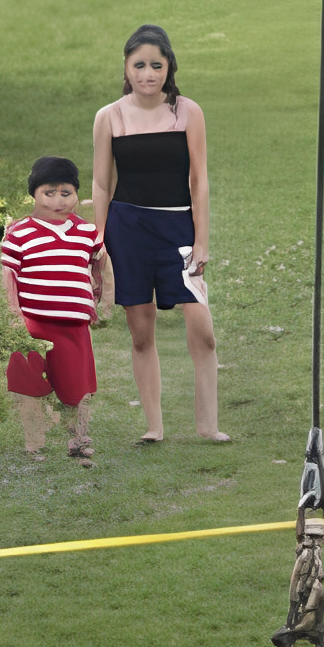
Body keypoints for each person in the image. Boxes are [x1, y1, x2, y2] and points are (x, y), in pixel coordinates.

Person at [93, 26, 227, 446]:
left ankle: (208, 425)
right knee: (141, 331)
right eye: (139, 65)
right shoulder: (109, 116)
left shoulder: (187, 111)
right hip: (128, 230)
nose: (148, 73)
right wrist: (97, 240)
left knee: (202, 326)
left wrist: (201, 239)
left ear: (168, 67)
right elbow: (100, 183)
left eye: (156, 65)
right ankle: (154, 426)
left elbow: (199, 180)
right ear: (127, 69)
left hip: (177, 228)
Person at [0, 156, 106, 462]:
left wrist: (96, 302)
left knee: (78, 387)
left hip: (73, 327)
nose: (58, 201)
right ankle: (34, 444)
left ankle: (79, 440)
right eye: (49, 192)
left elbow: (99, 269)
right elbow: (9, 278)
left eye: (66, 193)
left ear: (75, 194)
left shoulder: (86, 233)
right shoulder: (19, 233)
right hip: (32, 324)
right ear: (34, 193)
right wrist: (14, 316)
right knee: (29, 386)